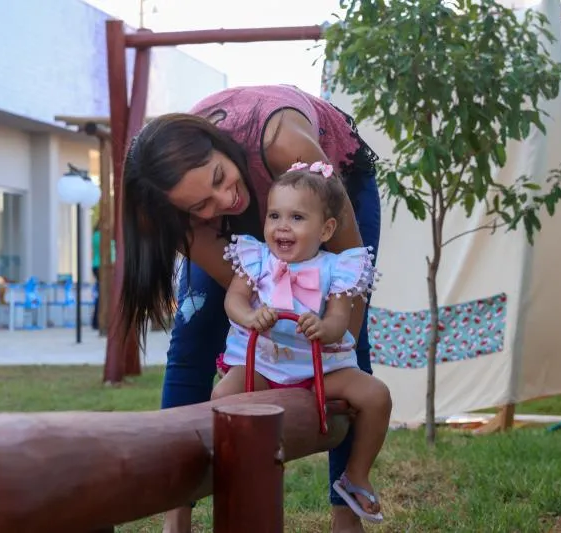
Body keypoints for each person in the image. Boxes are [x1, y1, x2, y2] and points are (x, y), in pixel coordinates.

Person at [121, 84, 392, 533]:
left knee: (346, 332)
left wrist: (328, 347)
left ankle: (347, 514)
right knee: (192, 336)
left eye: (217, 179)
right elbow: (245, 293)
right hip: (246, 237)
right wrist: (267, 349)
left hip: (324, 186)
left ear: (219, 146)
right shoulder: (181, 208)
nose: (224, 203)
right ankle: (178, 515)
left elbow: (349, 287)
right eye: (201, 206)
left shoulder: (284, 143)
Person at [214, 161, 384, 522]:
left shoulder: (336, 268)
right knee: (222, 397)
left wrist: (324, 328)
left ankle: (355, 475)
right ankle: (238, 474)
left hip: (318, 367)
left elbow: (341, 319)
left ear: (326, 229)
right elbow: (234, 301)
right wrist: (249, 317)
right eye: (274, 215)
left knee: (376, 395)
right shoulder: (256, 260)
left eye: (296, 218)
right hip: (262, 362)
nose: (282, 227)